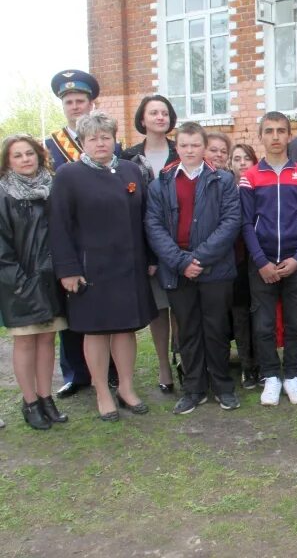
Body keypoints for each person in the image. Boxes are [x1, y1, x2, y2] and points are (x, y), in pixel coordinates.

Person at [49, 111, 156, 421]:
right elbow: (59, 226)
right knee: (95, 332)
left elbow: (145, 218)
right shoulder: (69, 175)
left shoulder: (129, 171)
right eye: (92, 138)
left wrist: (149, 258)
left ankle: (125, 388)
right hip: (90, 270)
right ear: (82, 142)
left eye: (105, 137)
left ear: (114, 139)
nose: (100, 143)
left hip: (129, 267)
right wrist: (67, 269)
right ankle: (102, 392)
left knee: (125, 330)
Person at [145, 122, 242, 414]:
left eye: (195, 145)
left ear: (204, 147)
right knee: (187, 330)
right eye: (184, 145)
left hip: (215, 269)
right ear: (177, 147)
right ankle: (194, 388)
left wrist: (199, 258)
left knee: (216, 328)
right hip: (178, 268)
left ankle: (222, 386)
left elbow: (230, 222)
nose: (189, 151)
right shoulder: (160, 183)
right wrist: (182, 261)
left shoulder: (222, 180)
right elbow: (153, 225)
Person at [239, 111, 297, 407]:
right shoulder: (250, 177)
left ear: (289, 135)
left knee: (296, 322)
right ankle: (271, 375)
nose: (275, 137)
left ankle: (293, 375)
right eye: (269, 131)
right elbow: (246, 223)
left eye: (280, 131)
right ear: (260, 136)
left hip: (295, 261)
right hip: (262, 262)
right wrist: (261, 262)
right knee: (263, 323)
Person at [44, 69, 113, 399]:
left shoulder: (108, 141)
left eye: (80, 100)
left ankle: (110, 372)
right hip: (69, 238)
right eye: (69, 101)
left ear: (91, 102)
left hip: (104, 241)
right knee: (71, 311)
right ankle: (75, 373)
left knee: (108, 309)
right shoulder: (49, 146)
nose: (75, 106)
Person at [0, 135, 68, 429]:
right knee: (26, 340)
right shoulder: (4, 194)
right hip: (19, 281)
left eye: (30, 153)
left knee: (47, 339)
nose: (26, 159)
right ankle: (29, 402)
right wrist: (20, 282)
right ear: (8, 162)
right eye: (18, 156)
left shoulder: (52, 188)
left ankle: (46, 397)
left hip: (51, 279)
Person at [121, 94, 179, 394]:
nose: (160, 117)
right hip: (147, 244)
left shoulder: (181, 151)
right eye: (153, 112)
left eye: (164, 112)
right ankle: (164, 367)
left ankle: (182, 359)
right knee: (159, 310)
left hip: (181, 243)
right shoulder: (128, 158)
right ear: (142, 119)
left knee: (181, 308)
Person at [229, 143, 259, 389]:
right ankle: (246, 366)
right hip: (235, 261)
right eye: (236, 159)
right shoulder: (227, 189)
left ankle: (260, 362)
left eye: (246, 158)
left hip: (259, 257)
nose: (242, 163)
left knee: (258, 313)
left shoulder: (260, 187)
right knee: (239, 314)